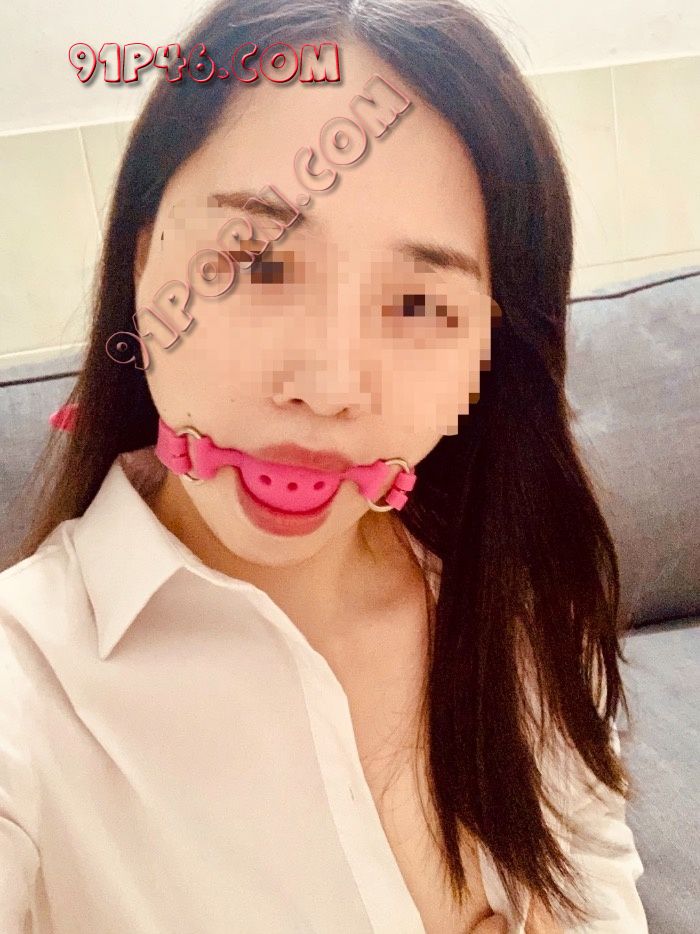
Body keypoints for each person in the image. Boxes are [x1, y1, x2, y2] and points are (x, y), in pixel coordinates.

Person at [0, 1, 648, 931]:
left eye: (419, 305)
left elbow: (595, 880)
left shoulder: (521, 602)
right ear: (143, 267)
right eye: (259, 263)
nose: (330, 387)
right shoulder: (25, 692)